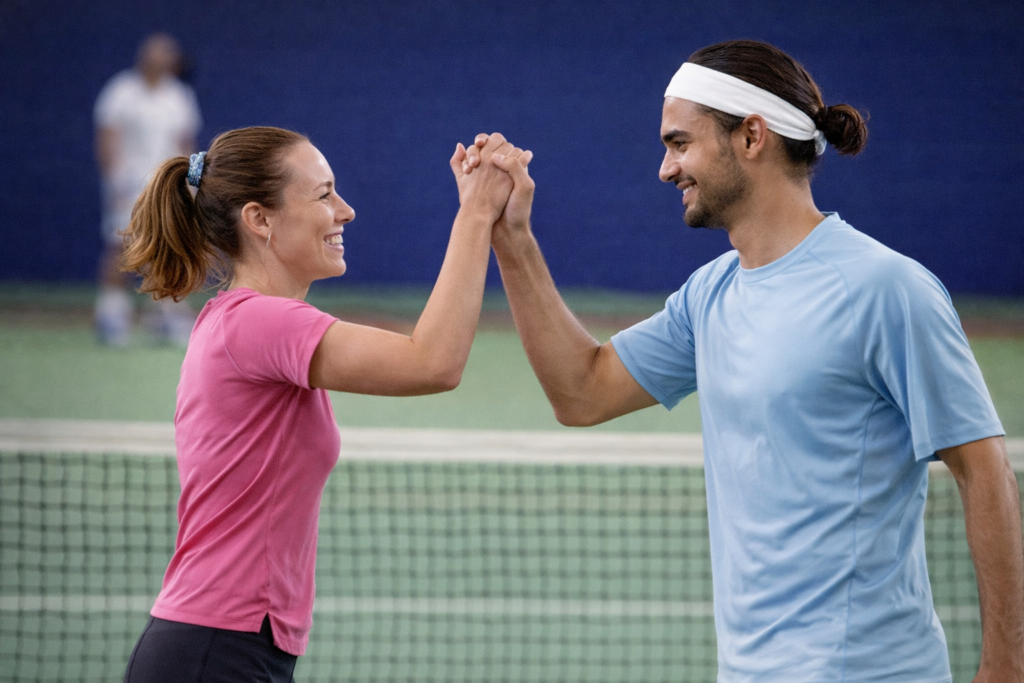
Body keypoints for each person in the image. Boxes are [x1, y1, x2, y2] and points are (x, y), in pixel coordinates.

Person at [466, 40, 1023, 683]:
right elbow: (582, 391)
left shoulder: (886, 289)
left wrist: (1005, 667)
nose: (665, 169)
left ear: (752, 137)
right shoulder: (710, 296)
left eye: (680, 143)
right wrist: (512, 238)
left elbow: (985, 473)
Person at [119, 126, 530, 682]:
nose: (347, 210)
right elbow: (433, 362)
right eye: (323, 194)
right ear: (259, 220)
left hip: (237, 647)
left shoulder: (244, 322)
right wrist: (475, 215)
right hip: (215, 651)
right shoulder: (256, 322)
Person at [94, 33, 202, 346]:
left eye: (168, 53)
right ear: (144, 55)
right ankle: (111, 315)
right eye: (157, 51)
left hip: (167, 184)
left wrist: (192, 182)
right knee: (123, 245)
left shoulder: (179, 96)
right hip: (128, 184)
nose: (162, 57)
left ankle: (164, 314)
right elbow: (107, 140)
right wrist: (114, 179)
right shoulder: (120, 92)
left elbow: (186, 144)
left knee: (170, 246)